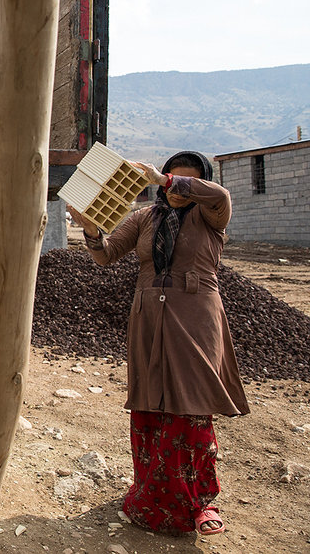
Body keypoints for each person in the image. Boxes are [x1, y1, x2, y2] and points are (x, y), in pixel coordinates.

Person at [67, 151, 249, 536]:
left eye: (185, 183)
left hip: (197, 319)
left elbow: (220, 196)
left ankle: (200, 501)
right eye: (172, 179)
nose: (177, 190)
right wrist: (90, 230)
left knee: (192, 408)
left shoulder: (210, 217)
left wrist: (162, 179)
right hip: (148, 318)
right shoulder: (143, 219)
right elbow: (106, 255)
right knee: (150, 403)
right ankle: (151, 495)